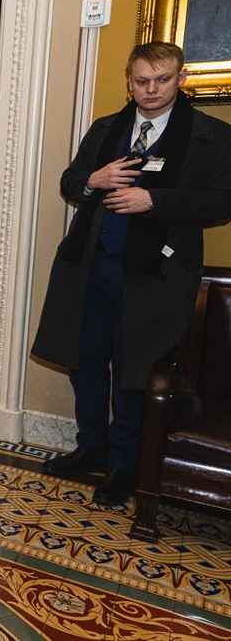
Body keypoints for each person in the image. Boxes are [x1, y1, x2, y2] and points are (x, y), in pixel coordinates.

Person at [33, 42, 231, 506]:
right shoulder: (107, 128)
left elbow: (222, 201)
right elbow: (71, 181)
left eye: (162, 79)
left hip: (155, 276)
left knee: (133, 371)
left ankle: (125, 464)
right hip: (90, 268)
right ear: (129, 81)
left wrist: (154, 201)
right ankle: (91, 447)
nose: (151, 90)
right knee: (85, 362)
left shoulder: (211, 136)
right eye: (141, 81)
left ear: (180, 79)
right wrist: (92, 181)